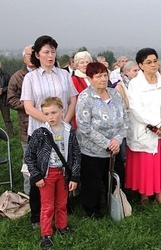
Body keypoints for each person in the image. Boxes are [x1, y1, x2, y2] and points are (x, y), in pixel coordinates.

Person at [21, 35, 78, 229]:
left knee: (62, 171)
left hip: (63, 131)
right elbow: (28, 107)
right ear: (37, 54)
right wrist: (50, 122)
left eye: (53, 51)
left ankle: (62, 212)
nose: (50, 55)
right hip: (39, 132)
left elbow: (72, 101)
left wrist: (64, 122)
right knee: (40, 175)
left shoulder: (64, 75)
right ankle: (37, 215)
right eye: (46, 52)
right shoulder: (30, 78)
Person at [25, 97, 80, 250]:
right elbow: (29, 156)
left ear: (63, 111)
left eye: (54, 113)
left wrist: (74, 176)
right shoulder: (40, 133)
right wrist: (36, 175)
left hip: (63, 174)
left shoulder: (69, 131)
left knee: (62, 203)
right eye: (47, 114)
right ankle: (46, 234)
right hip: (46, 175)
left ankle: (62, 226)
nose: (51, 117)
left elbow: (76, 154)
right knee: (47, 206)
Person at [75, 62, 127, 219]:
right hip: (93, 150)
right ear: (90, 78)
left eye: (105, 75)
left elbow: (125, 119)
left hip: (115, 148)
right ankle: (92, 211)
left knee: (115, 179)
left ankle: (115, 207)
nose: (103, 79)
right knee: (92, 183)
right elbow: (84, 126)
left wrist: (117, 140)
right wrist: (107, 143)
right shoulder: (85, 97)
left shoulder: (115, 94)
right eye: (98, 76)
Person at [125, 48, 161, 206]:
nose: (153, 65)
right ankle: (144, 196)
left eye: (155, 61)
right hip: (146, 130)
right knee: (146, 165)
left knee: (160, 164)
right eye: (148, 62)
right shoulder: (135, 84)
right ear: (140, 65)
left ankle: (160, 196)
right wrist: (157, 123)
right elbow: (137, 109)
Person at [7, 45, 36, 195]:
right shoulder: (18, 76)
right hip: (27, 125)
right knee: (29, 162)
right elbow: (11, 99)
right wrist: (28, 106)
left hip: (46, 124)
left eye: (34, 54)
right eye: (29, 55)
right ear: (23, 58)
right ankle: (28, 195)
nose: (31, 58)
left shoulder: (43, 73)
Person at [0, 61, 13, 135]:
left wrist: (2, 90)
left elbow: (10, 86)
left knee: (7, 118)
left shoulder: (6, 75)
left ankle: (10, 135)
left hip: (4, 100)